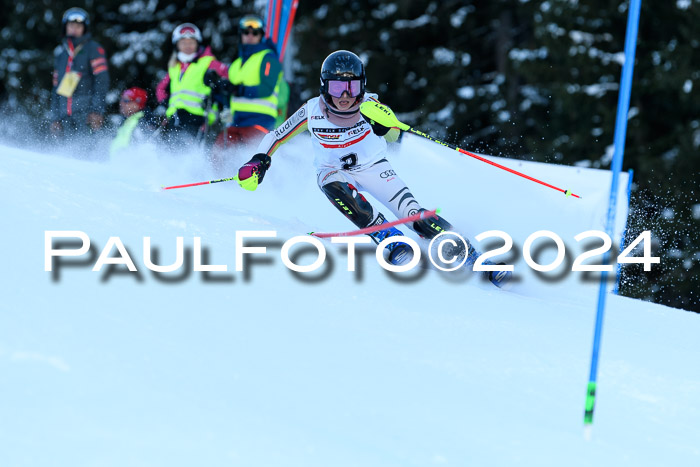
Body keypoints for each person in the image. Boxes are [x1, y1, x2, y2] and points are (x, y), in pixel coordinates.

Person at [233, 50, 511, 287]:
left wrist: (384, 127)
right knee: (331, 182)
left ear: (362, 86)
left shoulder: (370, 105)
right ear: (323, 87)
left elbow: (394, 135)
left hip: (374, 168)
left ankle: (476, 258)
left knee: (414, 215)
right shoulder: (311, 111)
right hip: (334, 171)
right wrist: (260, 159)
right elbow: (276, 135)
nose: (344, 96)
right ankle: (387, 236)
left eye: (352, 88)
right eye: (336, 88)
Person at [213, 14, 287, 152]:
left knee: (253, 159)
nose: (250, 35)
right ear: (241, 34)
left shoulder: (268, 58)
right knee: (219, 152)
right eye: (246, 32)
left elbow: (266, 88)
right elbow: (230, 96)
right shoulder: (235, 64)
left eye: (255, 33)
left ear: (261, 35)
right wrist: (218, 91)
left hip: (260, 120)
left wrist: (238, 90)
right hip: (235, 121)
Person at [155, 23, 229, 144]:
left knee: (189, 148)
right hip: (175, 116)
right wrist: (164, 102)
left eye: (191, 42)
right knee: (173, 148)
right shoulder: (175, 66)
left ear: (197, 43)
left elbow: (226, 77)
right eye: (183, 43)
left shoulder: (207, 61)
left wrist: (217, 89)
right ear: (177, 45)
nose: (187, 46)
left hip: (198, 116)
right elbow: (161, 88)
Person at [50, 7, 109, 139]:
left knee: (86, 155)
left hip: (86, 114)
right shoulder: (61, 53)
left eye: (78, 26)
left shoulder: (94, 49)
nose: (74, 29)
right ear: (65, 27)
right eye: (71, 25)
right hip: (64, 114)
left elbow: (102, 81)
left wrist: (97, 110)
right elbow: (55, 88)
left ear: (84, 28)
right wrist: (55, 118)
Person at [109, 87, 160, 157]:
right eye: (121, 99)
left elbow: (144, 149)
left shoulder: (144, 121)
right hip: (116, 165)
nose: (121, 103)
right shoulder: (125, 121)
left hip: (130, 165)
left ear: (138, 103)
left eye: (126, 100)